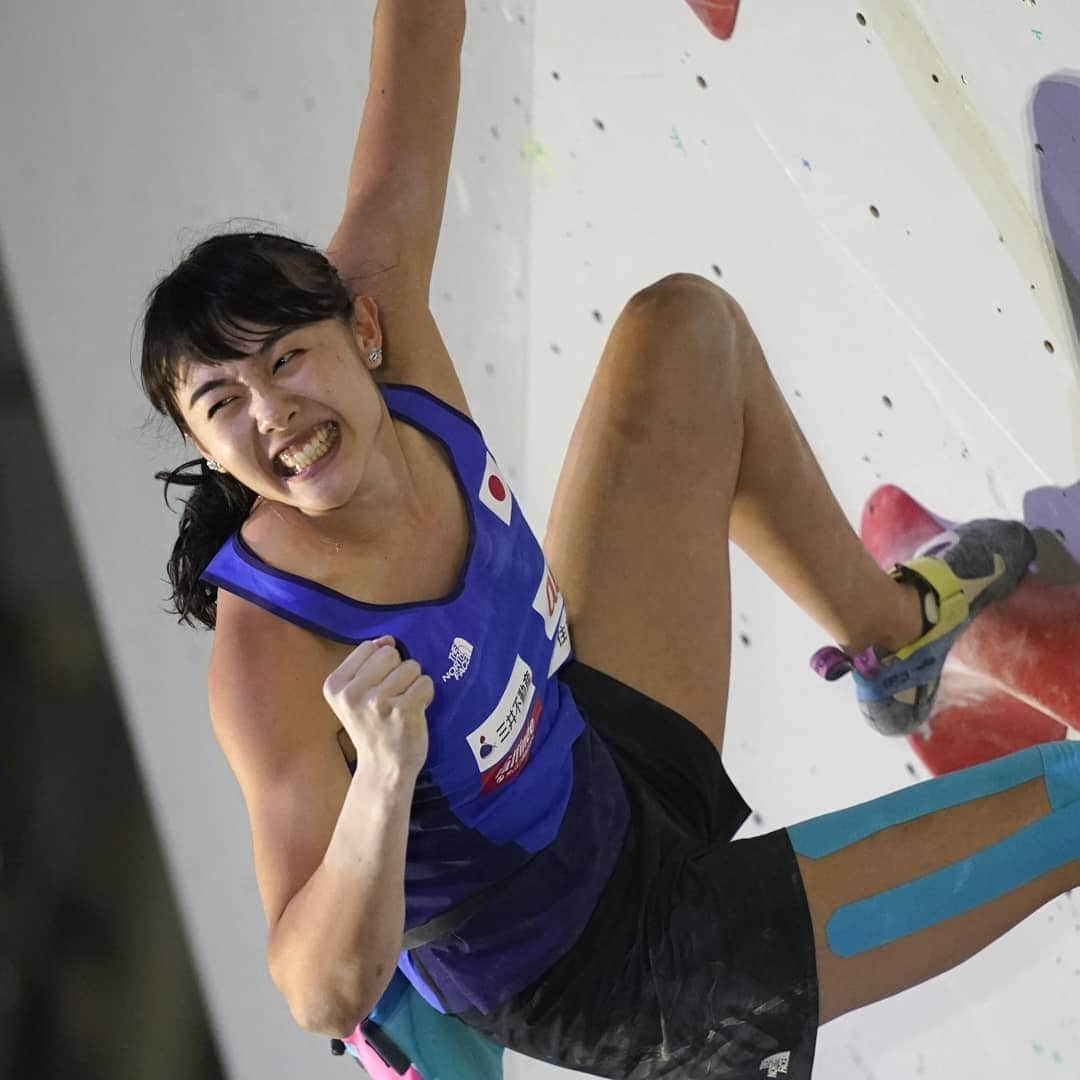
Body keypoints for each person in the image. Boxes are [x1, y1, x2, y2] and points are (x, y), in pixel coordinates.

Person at [139, 3, 1077, 1077]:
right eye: (222, 403)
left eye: (286, 360)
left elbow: (422, 40)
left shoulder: (398, 349)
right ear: (205, 450)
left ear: (361, 327)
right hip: (611, 971)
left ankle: (894, 637)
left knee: (683, 334)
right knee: (1073, 808)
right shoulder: (270, 648)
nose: (273, 415)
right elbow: (313, 987)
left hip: (603, 759)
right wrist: (381, 786)